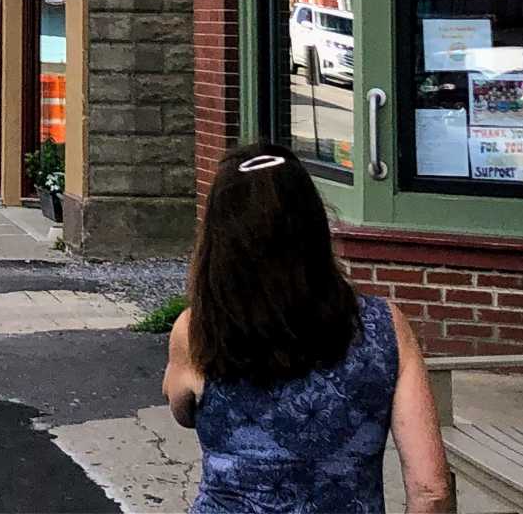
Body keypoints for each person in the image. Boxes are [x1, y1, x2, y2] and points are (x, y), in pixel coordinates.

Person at [163, 143, 453, 513]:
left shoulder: (196, 331)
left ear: (218, 240)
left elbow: (182, 410)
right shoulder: (384, 328)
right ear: (315, 225)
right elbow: (431, 489)